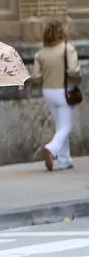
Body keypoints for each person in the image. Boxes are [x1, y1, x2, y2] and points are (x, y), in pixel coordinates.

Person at [33, 20, 82, 171]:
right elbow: (73, 70)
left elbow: (36, 76)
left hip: (48, 92)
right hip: (64, 91)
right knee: (66, 126)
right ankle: (51, 148)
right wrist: (76, 77)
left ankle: (64, 160)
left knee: (60, 126)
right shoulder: (67, 49)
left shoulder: (40, 53)